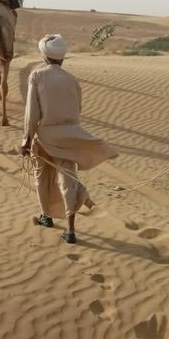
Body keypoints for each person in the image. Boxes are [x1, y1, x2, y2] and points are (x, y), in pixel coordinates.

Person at [21, 34, 116, 244]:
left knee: (42, 177)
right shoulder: (72, 80)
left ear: (45, 56)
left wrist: (26, 140)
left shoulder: (37, 76)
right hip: (71, 136)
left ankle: (46, 216)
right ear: (62, 58)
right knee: (69, 181)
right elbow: (78, 109)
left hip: (46, 136)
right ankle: (71, 230)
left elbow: (32, 112)